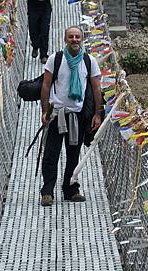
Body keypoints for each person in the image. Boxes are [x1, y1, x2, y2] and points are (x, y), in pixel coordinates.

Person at [39, 26, 103, 206]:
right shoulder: (55, 59)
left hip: (77, 115)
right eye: (71, 37)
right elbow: (46, 85)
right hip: (57, 113)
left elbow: (97, 88)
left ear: (82, 39)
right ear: (65, 39)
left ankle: (71, 189)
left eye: (77, 37)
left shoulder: (89, 61)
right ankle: (47, 191)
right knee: (51, 153)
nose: (74, 40)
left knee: (73, 154)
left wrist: (97, 113)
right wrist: (45, 110)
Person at [23, 0, 58, 64]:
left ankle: (44, 55)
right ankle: (35, 46)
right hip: (33, 9)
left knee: (44, 31)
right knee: (33, 29)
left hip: (45, 9)